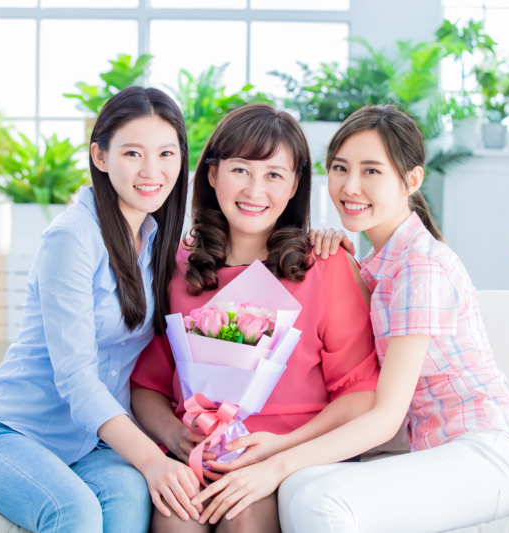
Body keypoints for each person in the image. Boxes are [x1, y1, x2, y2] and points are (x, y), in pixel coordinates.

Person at [190, 104, 509, 533]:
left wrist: (278, 457)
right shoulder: (375, 263)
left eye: (372, 171)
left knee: (317, 499)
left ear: (411, 180)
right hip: (435, 451)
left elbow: (384, 415)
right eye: (340, 168)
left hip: (487, 452)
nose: (350, 186)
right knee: (301, 489)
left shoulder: (419, 267)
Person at [0, 86, 202, 533]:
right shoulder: (72, 238)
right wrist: (151, 459)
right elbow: (76, 377)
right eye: (133, 153)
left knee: (130, 502)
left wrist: (317, 239)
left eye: (167, 153)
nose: (153, 170)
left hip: (90, 445)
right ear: (101, 157)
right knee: (76, 513)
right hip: (12, 434)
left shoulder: (156, 238)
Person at [129, 103, 381, 533]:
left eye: (274, 175)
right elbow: (146, 386)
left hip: (292, 457)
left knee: (241, 514)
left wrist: (279, 452)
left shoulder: (326, 265)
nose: (254, 190)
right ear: (212, 174)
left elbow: (360, 395)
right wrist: (175, 438)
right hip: (198, 456)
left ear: (294, 186)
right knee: (175, 518)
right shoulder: (176, 265)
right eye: (240, 170)